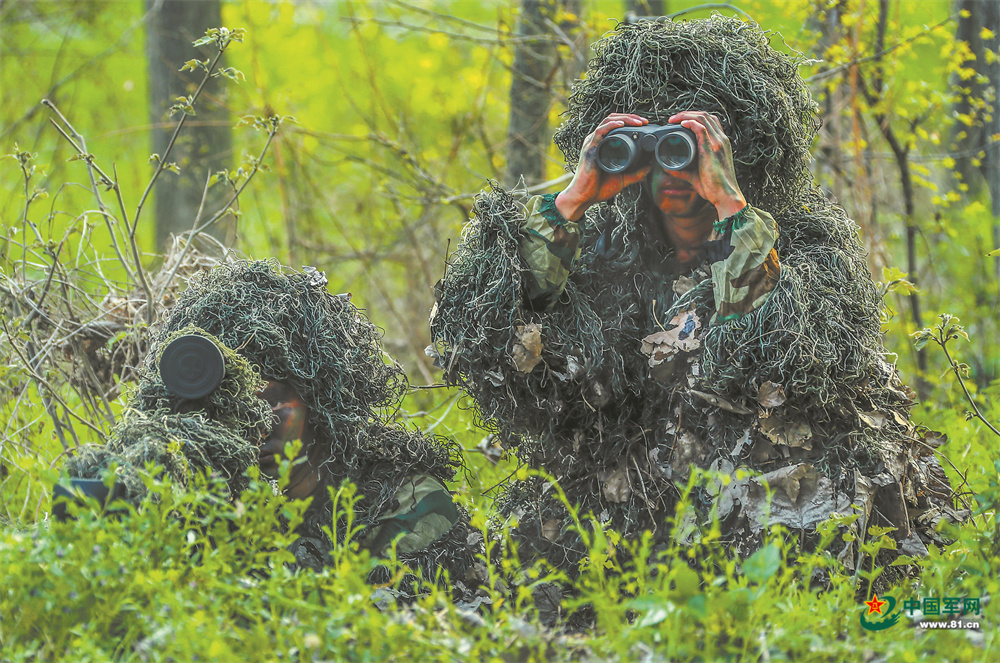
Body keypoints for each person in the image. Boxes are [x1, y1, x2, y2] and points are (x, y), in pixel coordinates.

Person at [430, 16, 962, 574]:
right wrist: (573, 200)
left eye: (686, 148)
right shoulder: (597, 258)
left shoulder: (802, 245)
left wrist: (730, 202)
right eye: (654, 151)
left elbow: (778, 348)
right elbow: (481, 338)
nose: (672, 168)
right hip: (634, 503)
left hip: (767, 499)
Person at [65, 260, 480, 590]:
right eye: (233, 407)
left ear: (319, 401)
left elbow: (380, 630)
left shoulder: (406, 501)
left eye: (272, 399)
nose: (254, 422)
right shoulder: (225, 496)